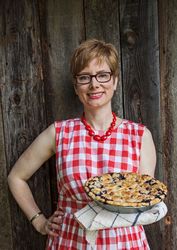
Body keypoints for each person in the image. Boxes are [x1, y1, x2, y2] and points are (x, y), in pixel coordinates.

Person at [8, 39, 156, 249]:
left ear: (114, 81)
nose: (94, 84)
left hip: (125, 241)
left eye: (103, 75)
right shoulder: (59, 133)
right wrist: (39, 221)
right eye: (85, 77)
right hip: (69, 240)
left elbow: (143, 200)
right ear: (76, 86)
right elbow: (16, 177)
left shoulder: (139, 136)